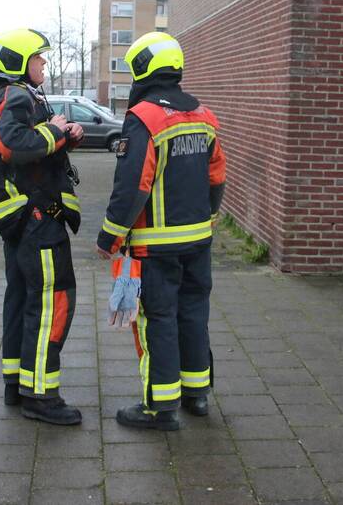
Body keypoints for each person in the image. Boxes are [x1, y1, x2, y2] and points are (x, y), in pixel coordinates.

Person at [95, 31, 227, 431]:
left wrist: (109, 238)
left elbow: (134, 185)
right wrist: (209, 216)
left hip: (155, 249)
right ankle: (197, 395)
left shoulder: (144, 119)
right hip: (198, 242)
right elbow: (217, 175)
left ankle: (160, 406)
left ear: (142, 69)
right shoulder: (204, 115)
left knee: (158, 320)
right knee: (194, 314)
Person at [0, 28, 85, 425]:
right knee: (51, 303)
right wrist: (56, 129)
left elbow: (25, 150)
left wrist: (65, 137)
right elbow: (14, 146)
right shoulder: (17, 95)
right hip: (38, 219)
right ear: (21, 63)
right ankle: (40, 396)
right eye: (39, 58)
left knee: (22, 300)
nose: (43, 63)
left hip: (22, 218)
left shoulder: (7, 96)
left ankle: (16, 383)